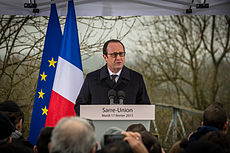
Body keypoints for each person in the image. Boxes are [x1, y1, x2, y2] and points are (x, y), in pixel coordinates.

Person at [75, 39, 151, 115]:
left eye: (121, 54)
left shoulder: (136, 79)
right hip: (98, 126)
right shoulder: (91, 79)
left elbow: (145, 108)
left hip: (128, 126)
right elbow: (80, 107)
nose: (118, 58)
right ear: (105, 57)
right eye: (114, 55)